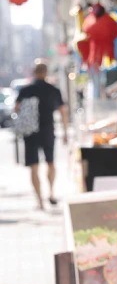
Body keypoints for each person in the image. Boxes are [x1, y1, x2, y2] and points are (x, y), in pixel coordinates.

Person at [15, 60, 69, 209]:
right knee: (50, 163)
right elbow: (63, 112)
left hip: (30, 132)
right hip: (47, 130)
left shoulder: (25, 90)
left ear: (34, 72)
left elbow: (17, 108)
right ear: (46, 72)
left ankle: (39, 200)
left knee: (34, 166)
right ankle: (51, 193)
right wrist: (65, 132)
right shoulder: (53, 90)